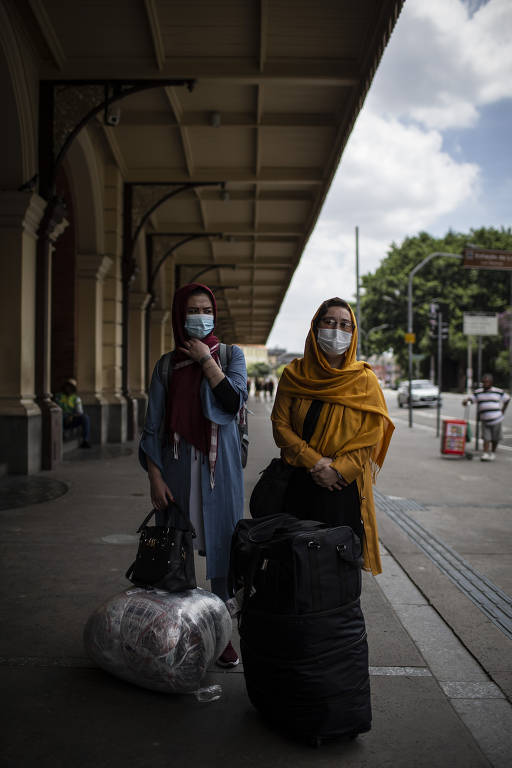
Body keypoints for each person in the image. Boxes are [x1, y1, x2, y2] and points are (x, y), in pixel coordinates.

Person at [139, 283, 248, 667]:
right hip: (177, 469)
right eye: (192, 310)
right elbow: (153, 426)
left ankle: (221, 633)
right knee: (175, 557)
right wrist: (155, 477)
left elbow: (233, 400)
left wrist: (205, 360)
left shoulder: (232, 355)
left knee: (224, 556)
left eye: (206, 310)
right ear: (179, 316)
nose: (200, 317)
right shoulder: (166, 366)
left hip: (222, 472)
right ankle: (181, 632)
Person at [271, 298, 394, 575]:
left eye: (345, 325)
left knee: (338, 573)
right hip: (298, 484)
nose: (337, 330)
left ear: (353, 333)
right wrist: (316, 462)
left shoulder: (364, 380)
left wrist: (338, 470)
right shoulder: (293, 374)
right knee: (295, 568)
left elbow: (371, 435)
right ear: (316, 327)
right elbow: (280, 426)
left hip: (341, 488)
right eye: (329, 322)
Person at [462, 373, 510, 461]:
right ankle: (485, 453)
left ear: (491, 382)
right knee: (486, 438)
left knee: (495, 438)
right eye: (484, 382)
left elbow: (507, 399)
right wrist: (465, 402)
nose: (486, 384)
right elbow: (470, 400)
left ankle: (493, 453)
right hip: (485, 420)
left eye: (488, 382)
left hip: (496, 419)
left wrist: (503, 410)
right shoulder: (478, 392)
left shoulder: (498, 391)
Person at [54, 378, 91, 448]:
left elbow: (79, 412)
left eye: (71, 387)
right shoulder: (59, 396)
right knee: (59, 416)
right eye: (68, 386)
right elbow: (56, 408)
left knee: (85, 418)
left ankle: (85, 440)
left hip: (71, 419)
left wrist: (72, 416)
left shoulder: (76, 398)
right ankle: (61, 436)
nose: (69, 388)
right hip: (60, 417)